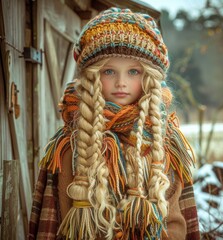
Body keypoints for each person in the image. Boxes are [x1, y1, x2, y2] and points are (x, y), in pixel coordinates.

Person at [28, 7, 200, 240]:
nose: (121, 82)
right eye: (109, 71)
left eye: (133, 72)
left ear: (149, 77)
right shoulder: (68, 144)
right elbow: (49, 225)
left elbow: (184, 222)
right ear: (92, 76)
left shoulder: (168, 143)